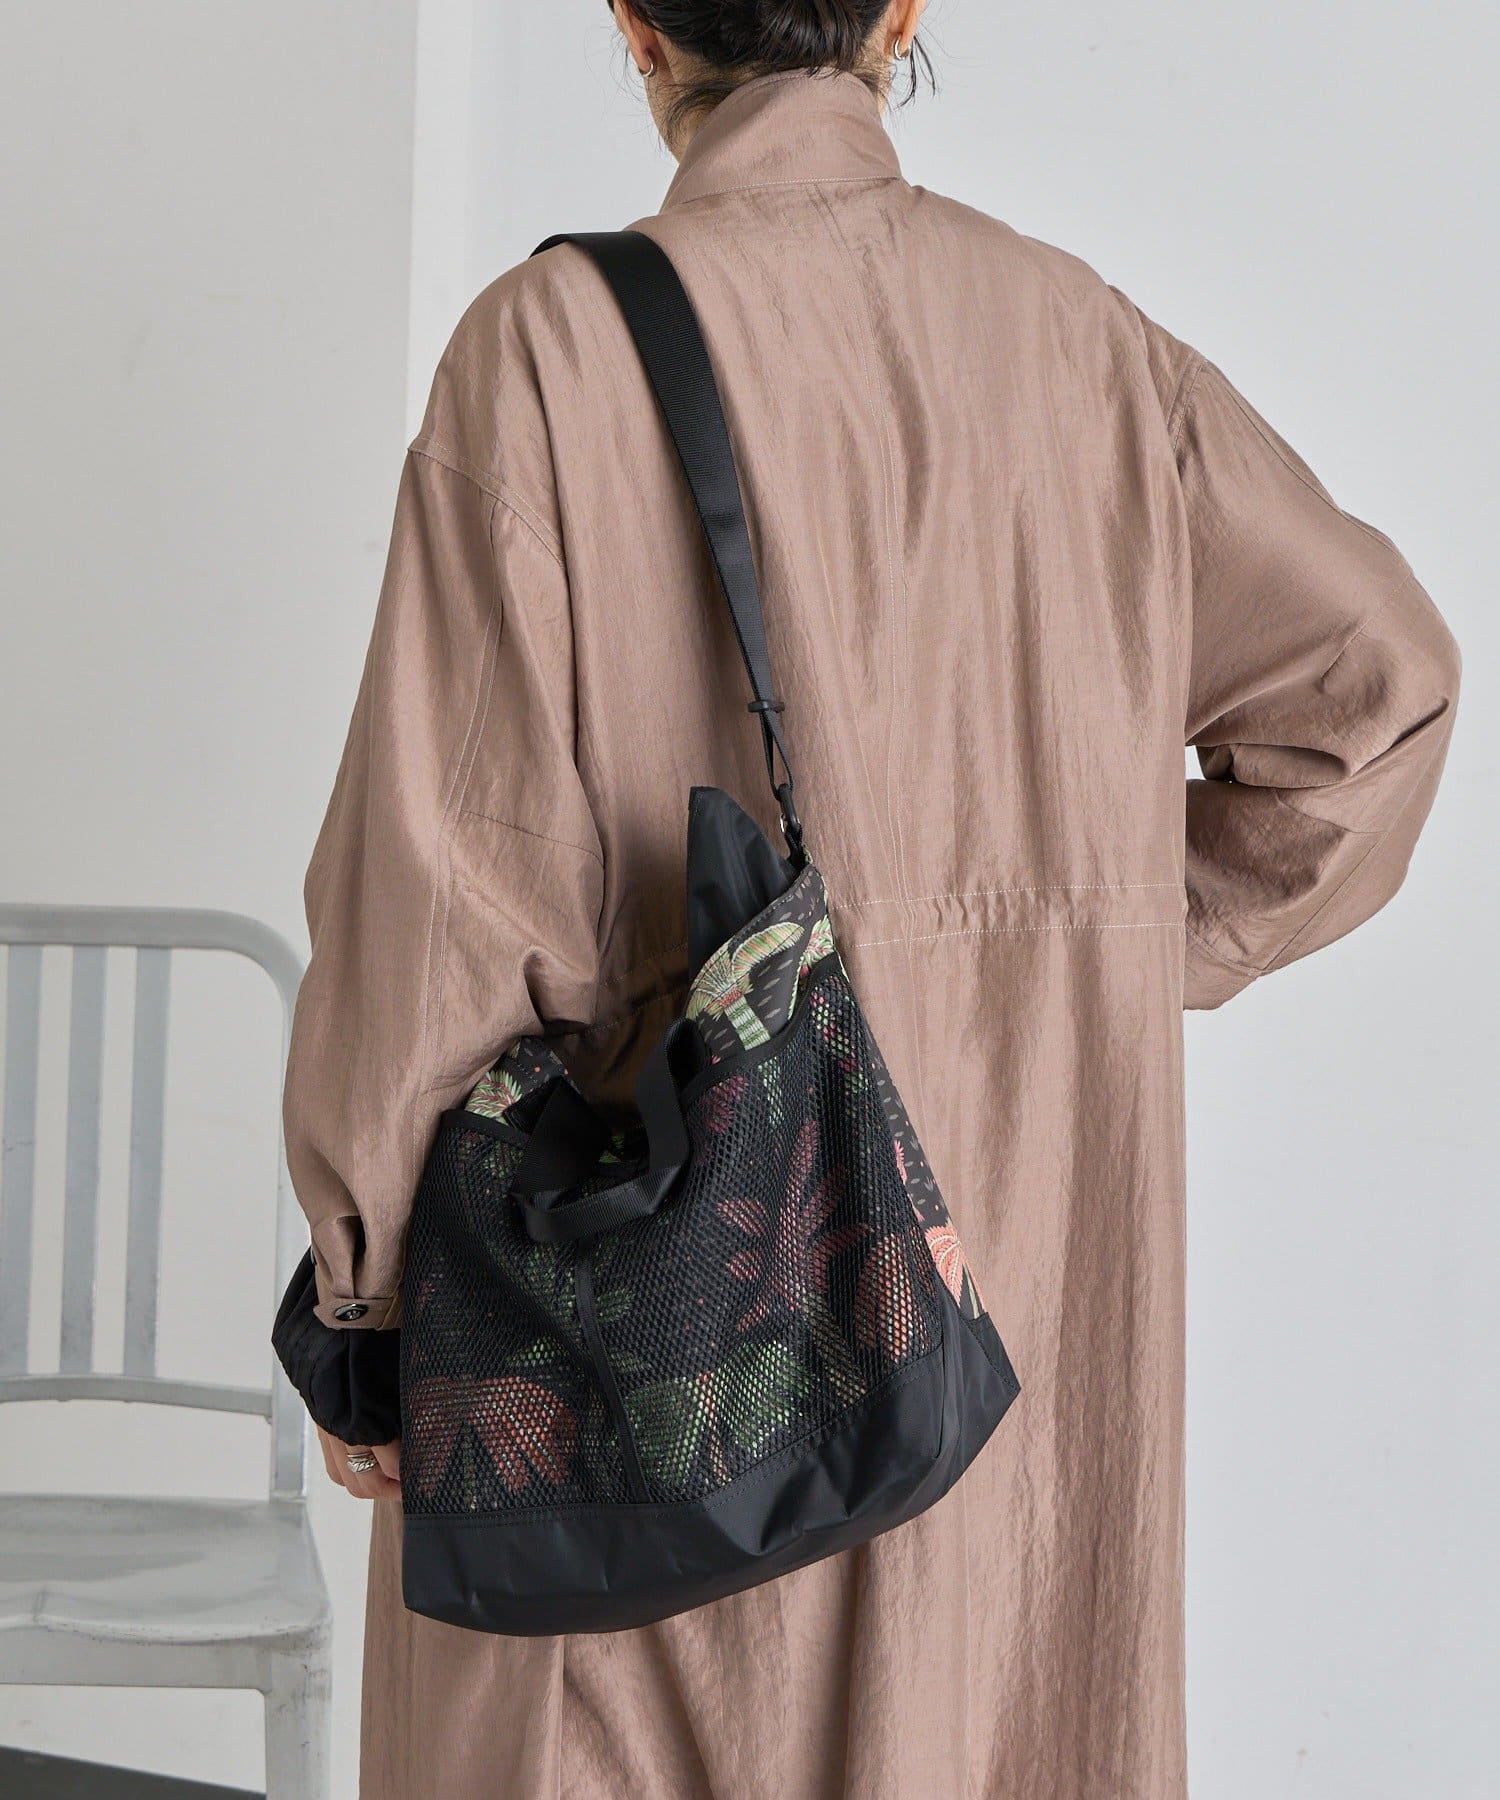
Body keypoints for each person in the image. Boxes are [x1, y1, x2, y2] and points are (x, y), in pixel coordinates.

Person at [276, 1, 1460, 1793]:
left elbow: (441, 898)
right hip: (1024, 1285)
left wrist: (367, 1310)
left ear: (633, 19)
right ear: (899, 11)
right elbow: (1380, 701)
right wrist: (1089, 948)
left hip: (666, 1326)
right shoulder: (1092, 351)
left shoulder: (553, 355)